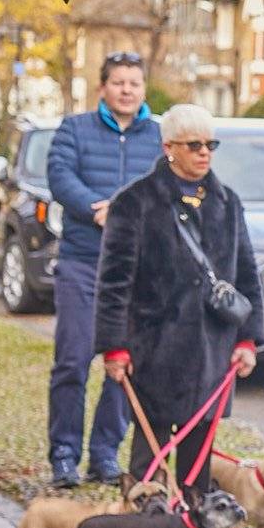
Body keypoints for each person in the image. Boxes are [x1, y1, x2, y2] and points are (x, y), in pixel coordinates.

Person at [95, 105, 263, 496]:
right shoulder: (134, 202)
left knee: (197, 460)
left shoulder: (227, 202)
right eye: (194, 145)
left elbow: (247, 275)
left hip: (212, 351)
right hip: (154, 350)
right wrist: (114, 346)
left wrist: (247, 340)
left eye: (211, 144)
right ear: (169, 147)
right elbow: (114, 283)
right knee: (148, 458)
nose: (204, 152)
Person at [42, 52, 162, 487]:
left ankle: (105, 455)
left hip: (135, 272)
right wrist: (98, 209)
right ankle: (64, 456)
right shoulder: (75, 129)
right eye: (118, 82)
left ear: (143, 89)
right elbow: (59, 176)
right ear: (103, 88)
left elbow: (165, 187)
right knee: (72, 362)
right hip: (82, 263)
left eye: (134, 83)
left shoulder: (159, 136)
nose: (127, 90)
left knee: (123, 365)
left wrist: (129, 212)